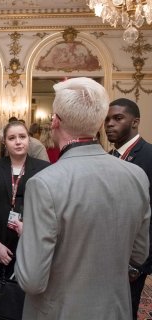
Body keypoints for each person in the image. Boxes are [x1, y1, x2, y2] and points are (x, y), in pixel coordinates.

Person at [14, 77, 151, 320]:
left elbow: (32, 280)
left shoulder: (44, 183)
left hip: (59, 312)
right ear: (99, 122)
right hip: (116, 309)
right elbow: (139, 255)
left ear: (55, 121)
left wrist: (29, 237)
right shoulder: (136, 175)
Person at [0, 120, 50, 319]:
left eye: (22, 137)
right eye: (12, 138)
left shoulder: (44, 168)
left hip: (30, 240)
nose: (18, 142)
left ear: (29, 139)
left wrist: (30, 227)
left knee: (28, 291)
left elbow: (48, 207)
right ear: (4, 143)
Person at [104, 98, 152, 320]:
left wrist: (138, 263)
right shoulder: (108, 157)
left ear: (135, 122)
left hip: (135, 256)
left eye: (117, 118)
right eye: (106, 120)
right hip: (107, 253)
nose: (109, 124)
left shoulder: (149, 156)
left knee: (126, 310)